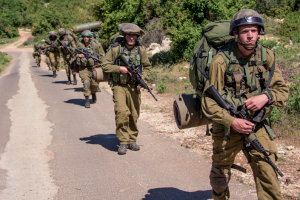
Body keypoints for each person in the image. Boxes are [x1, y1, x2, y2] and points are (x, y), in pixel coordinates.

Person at [201, 9, 289, 200]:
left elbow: (282, 91)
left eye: (254, 30)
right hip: (228, 127)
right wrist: (232, 122)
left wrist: (266, 97)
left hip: (257, 126)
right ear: (235, 33)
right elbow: (208, 101)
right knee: (220, 178)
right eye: (244, 31)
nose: (250, 35)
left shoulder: (266, 56)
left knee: (268, 173)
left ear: (260, 32)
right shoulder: (220, 61)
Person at [102, 23, 151, 155]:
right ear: (124, 35)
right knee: (122, 113)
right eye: (129, 35)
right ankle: (123, 142)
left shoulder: (141, 50)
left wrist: (142, 79)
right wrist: (120, 69)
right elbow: (105, 65)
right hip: (119, 86)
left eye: (134, 35)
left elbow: (147, 67)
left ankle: (132, 139)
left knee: (134, 114)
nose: (131, 38)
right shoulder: (116, 50)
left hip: (134, 87)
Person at [75, 30, 105, 108]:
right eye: (84, 37)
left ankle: (93, 93)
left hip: (94, 67)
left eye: (87, 37)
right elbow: (73, 54)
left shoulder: (96, 45)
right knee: (86, 82)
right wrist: (79, 55)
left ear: (90, 37)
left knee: (94, 85)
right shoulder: (80, 45)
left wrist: (99, 63)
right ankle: (87, 99)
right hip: (83, 68)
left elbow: (102, 55)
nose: (85, 38)